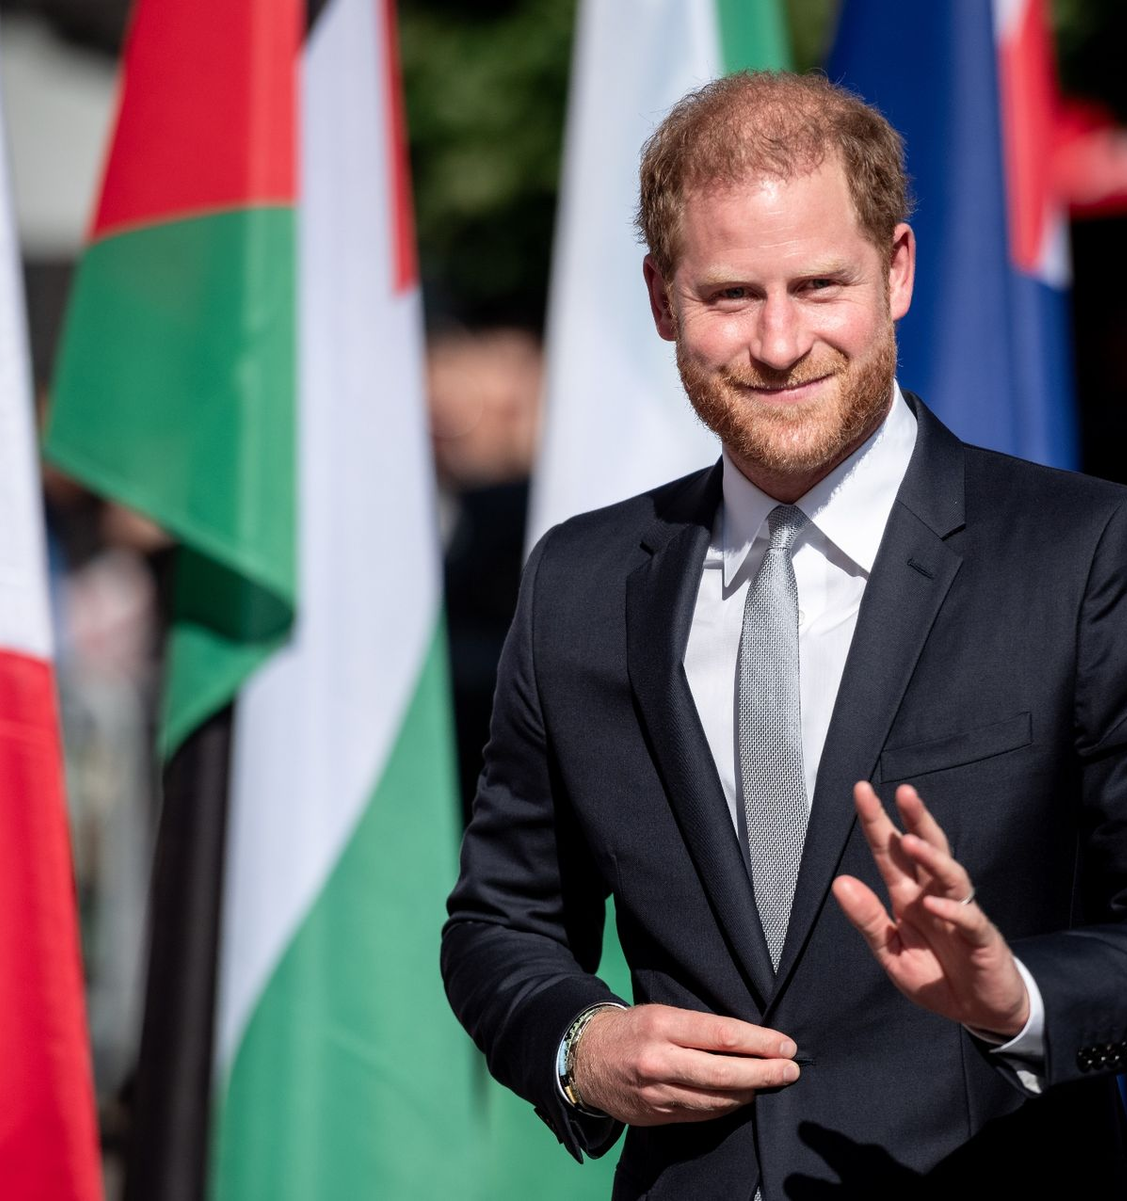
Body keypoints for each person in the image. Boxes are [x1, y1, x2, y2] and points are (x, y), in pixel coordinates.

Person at [441, 71, 1127, 1199]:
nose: (777, 341)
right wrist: (581, 1046)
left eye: (819, 285)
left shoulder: (1083, 552)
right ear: (662, 298)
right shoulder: (579, 581)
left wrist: (1021, 1000)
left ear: (896, 271)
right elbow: (498, 922)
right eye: (729, 295)